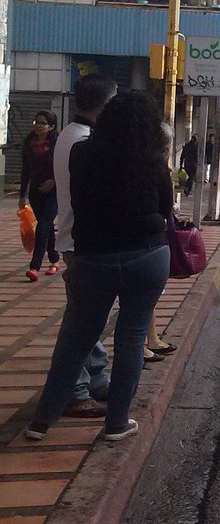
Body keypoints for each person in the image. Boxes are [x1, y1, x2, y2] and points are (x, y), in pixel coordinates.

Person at [24, 90, 173, 443]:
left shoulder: (81, 153)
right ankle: (117, 423)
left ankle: (41, 422)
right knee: (132, 337)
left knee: (76, 339)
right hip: (146, 256)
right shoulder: (151, 160)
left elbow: (77, 200)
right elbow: (166, 208)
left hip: (92, 257)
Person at [53, 75, 118, 419]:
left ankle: (94, 377)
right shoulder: (82, 141)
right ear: (105, 105)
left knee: (89, 318)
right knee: (79, 321)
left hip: (78, 239)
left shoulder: (73, 135)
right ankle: (73, 389)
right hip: (81, 241)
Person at [19, 111, 59, 282]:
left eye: (42, 123)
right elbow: (26, 170)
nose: (38, 125)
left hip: (54, 192)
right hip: (36, 192)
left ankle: (34, 267)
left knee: (43, 225)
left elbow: (65, 165)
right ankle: (55, 260)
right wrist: (22, 194)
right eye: (36, 121)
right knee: (47, 226)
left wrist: (54, 181)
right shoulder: (29, 144)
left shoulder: (57, 144)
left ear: (51, 127)